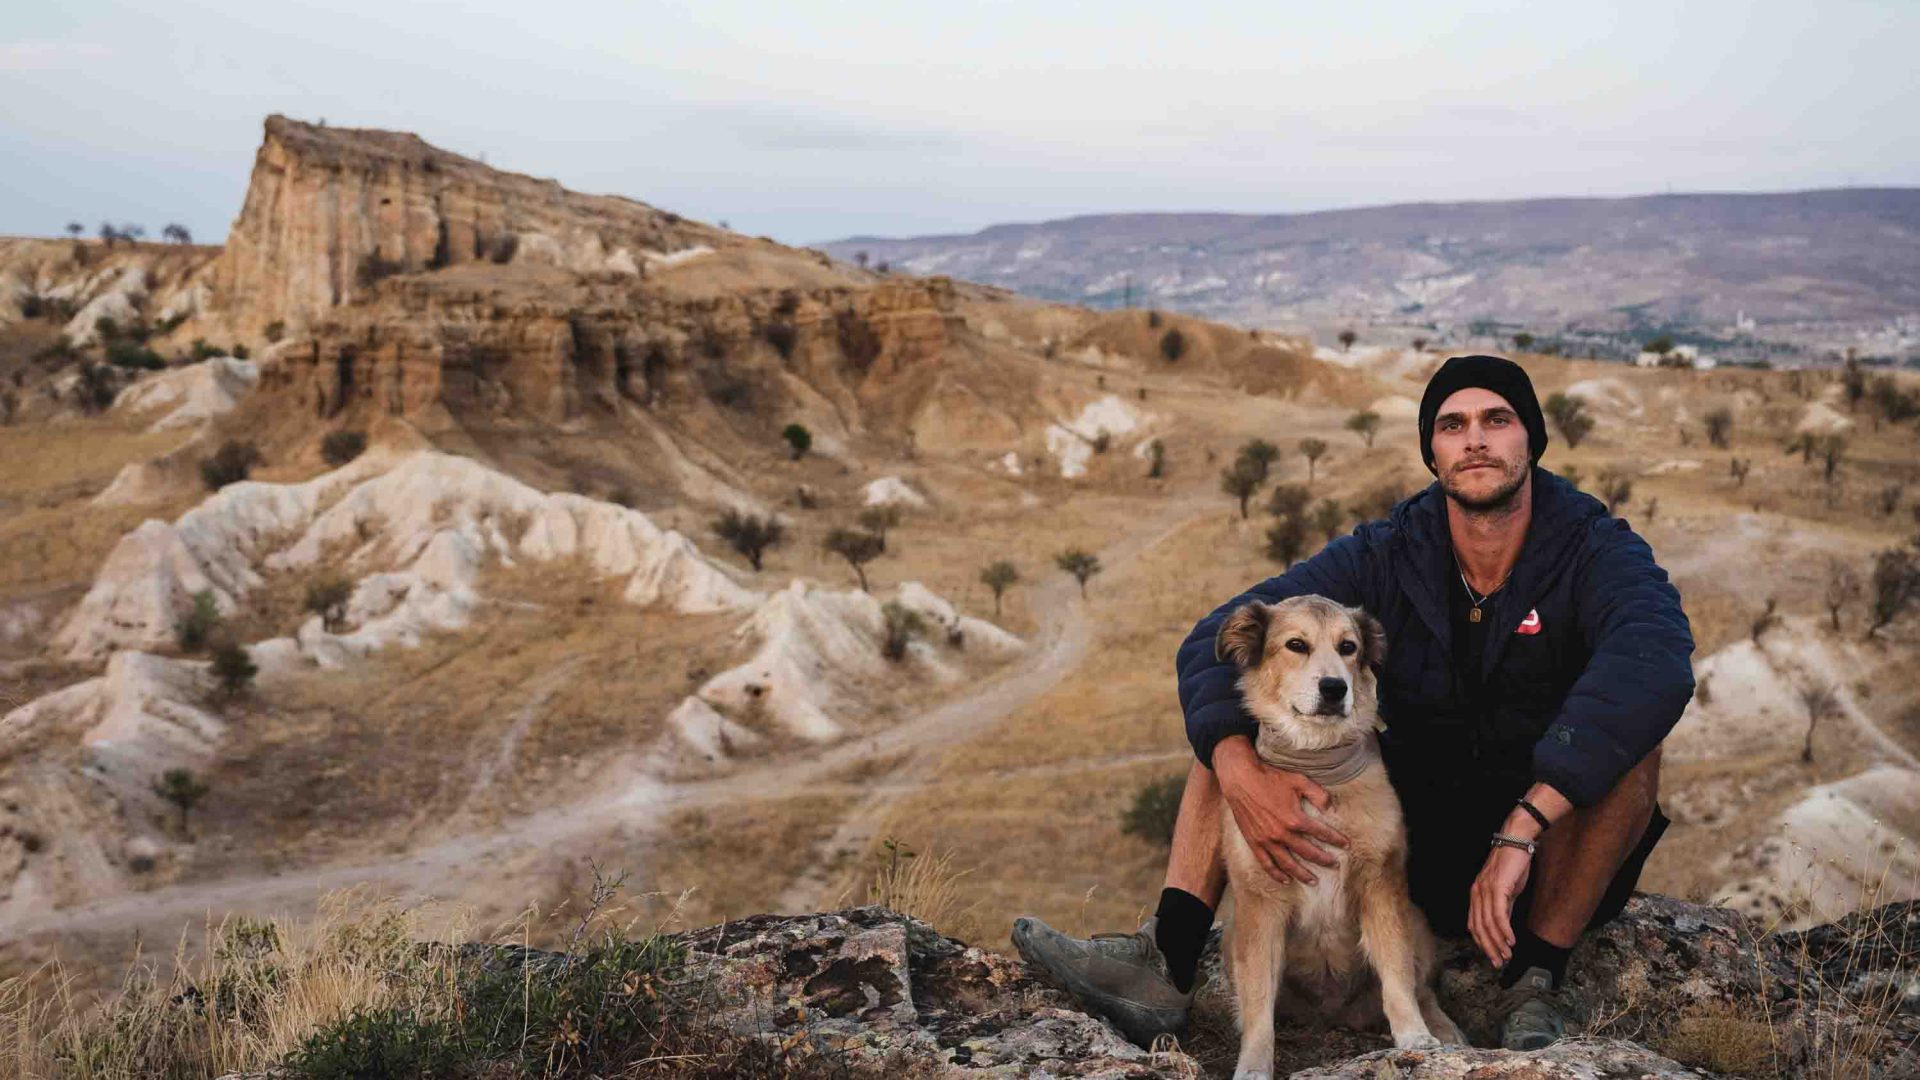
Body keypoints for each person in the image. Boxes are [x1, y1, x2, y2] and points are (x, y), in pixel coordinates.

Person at [1012, 354, 1694, 1051]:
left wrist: (1526, 823)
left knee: (1633, 740)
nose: (1476, 440)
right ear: (1433, 450)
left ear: (1532, 439)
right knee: (1240, 712)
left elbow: (1657, 664)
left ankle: (1537, 980)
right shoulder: (1391, 550)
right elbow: (1213, 642)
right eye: (1453, 425)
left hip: (1544, 854)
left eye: (1498, 420)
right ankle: (1171, 958)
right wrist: (1240, 777)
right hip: (1407, 846)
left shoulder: (1594, 549)